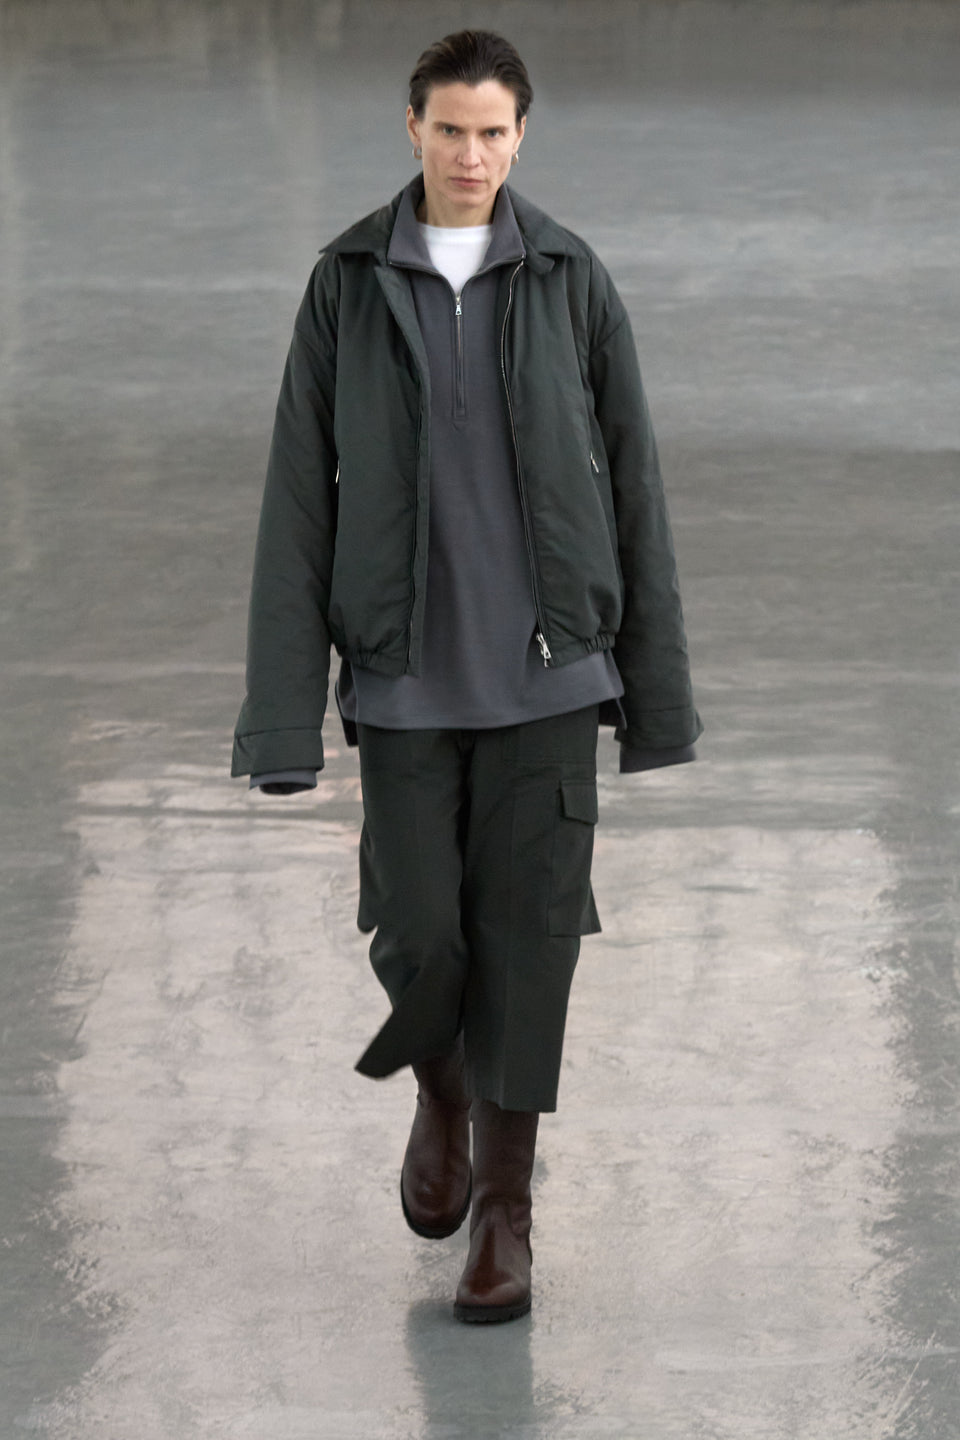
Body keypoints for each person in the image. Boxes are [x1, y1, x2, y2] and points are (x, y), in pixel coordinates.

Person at [232, 29, 701, 1324]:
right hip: (402, 686)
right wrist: (283, 718)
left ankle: (506, 1210)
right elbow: (297, 506)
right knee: (421, 931)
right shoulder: (346, 285)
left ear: (521, 136)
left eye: (494, 133)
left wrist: (655, 695)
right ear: (413, 128)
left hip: (549, 681)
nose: (473, 154)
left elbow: (636, 486)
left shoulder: (571, 279)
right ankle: (439, 1089)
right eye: (451, 129)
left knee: (529, 947)